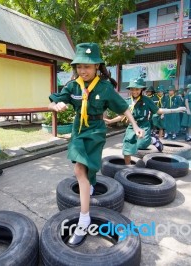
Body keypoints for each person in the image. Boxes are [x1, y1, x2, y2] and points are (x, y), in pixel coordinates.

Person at [48, 43, 144, 247]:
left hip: (96, 129)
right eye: (80, 66)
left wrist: (135, 126)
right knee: (82, 167)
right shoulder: (73, 85)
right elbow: (54, 100)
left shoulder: (105, 87)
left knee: (80, 170)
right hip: (78, 128)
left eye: (88, 67)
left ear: (97, 67)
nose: (83, 71)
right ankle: (88, 185)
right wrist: (55, 105)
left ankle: (84, 220)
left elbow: (123, 108)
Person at [104, 79, 186, 165]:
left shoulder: (147, 100)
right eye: (132, 89)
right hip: (132, 126)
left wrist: (175, 110)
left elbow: (158, 111)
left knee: (141, 144)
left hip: (144, 125)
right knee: (126, 149)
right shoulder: (127, 101)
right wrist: (110, 121)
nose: (134, 91)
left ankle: (152, 139)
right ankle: (128, 167)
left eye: (137, 89)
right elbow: (123, 115)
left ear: (141, 90)